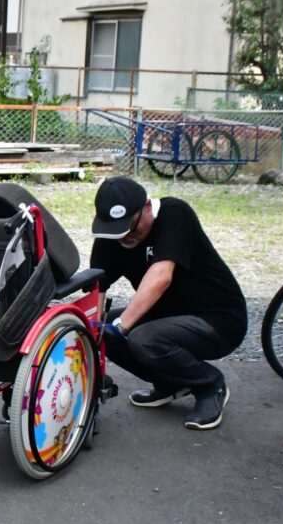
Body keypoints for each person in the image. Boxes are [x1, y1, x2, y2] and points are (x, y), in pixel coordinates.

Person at [89, 176, 247, 430]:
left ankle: (210, 385)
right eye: (117, 231)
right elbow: (97, 285)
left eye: (131, 228)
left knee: (142, 338)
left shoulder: (175, 214)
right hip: (167, 315)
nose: (125, 237)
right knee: (100, 330)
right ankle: (171, 383)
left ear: (147, 207)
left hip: (217, 319)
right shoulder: (113, 233)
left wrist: (120, 327)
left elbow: (161, 277)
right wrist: (94, 331)